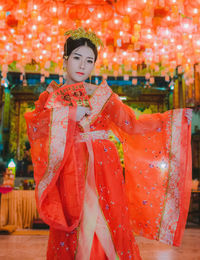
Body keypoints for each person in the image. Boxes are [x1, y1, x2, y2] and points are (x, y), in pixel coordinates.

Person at [25, 28, 192, 260]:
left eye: (89, 60)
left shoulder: (103, 96)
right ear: (64, 60)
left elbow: (132, 124)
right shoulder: (51, 97)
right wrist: (70, 115)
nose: (83, 65)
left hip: (104, 167)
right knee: (75, 222)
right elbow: (36, 127)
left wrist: (174, 121)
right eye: (77, 58)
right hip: (71, 168)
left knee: (108, 217)